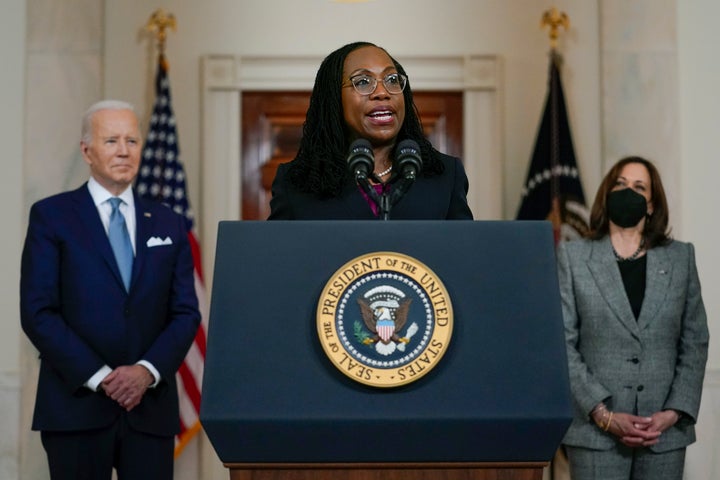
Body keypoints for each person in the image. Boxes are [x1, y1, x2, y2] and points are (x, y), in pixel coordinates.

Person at [20, 100, 201, 480]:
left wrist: (145, 372)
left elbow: (185, 312)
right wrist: (102, 376)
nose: (124, 151)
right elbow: (38, 312)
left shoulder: (168, 221)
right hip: (76, 406)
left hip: (149, 409)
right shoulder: (52, 216)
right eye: (112, 140)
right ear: (87, 150)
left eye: (132, 141)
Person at [556, 156, 709, 480]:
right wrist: (603, 414)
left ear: (652, 204)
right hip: (595, 433)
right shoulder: (573, 256)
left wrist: (673, 412)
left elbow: (695, 339)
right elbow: (562, 340)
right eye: (621, 185)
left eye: (640, 187)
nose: (629, 192)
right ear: (607, 194)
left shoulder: (681, 257)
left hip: (664, 435)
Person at [268, 41, 473, 220]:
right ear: (334, 99)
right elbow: (279, 258)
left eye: (392, 79)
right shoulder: (295, 183)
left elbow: (462, 255)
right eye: (363, 82)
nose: (382, 92)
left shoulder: (445, 175)